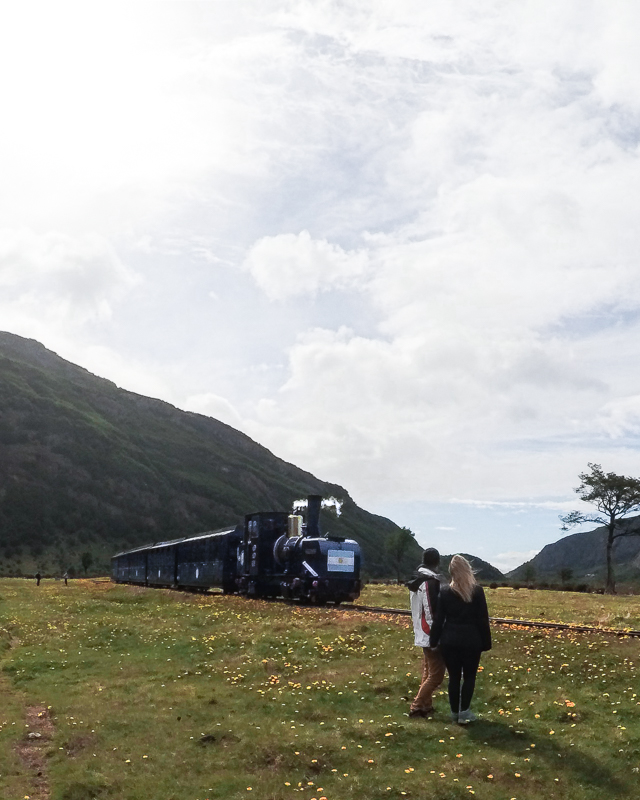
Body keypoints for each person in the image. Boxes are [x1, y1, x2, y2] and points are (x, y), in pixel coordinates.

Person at [430, 554, 491, 724]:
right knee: (470, 676)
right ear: (468, 570)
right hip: (472, 641)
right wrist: (486, 643)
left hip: (449, 640)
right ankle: (465, 712)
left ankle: (454, 713)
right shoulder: (477, 591)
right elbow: (482, 619)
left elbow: (438, 620)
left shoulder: (444, 591)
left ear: (451, 572)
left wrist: (434, 641)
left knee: (454, 677)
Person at [407, 547, 446, 718]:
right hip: (430, 634)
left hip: (422, 632)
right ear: (437, 562)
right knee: (436, 676)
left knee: (428, 672)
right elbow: (431, 612)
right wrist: (435, 639)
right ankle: (416, 706)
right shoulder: (429, 583)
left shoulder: (418, 580)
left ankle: (426, 706)